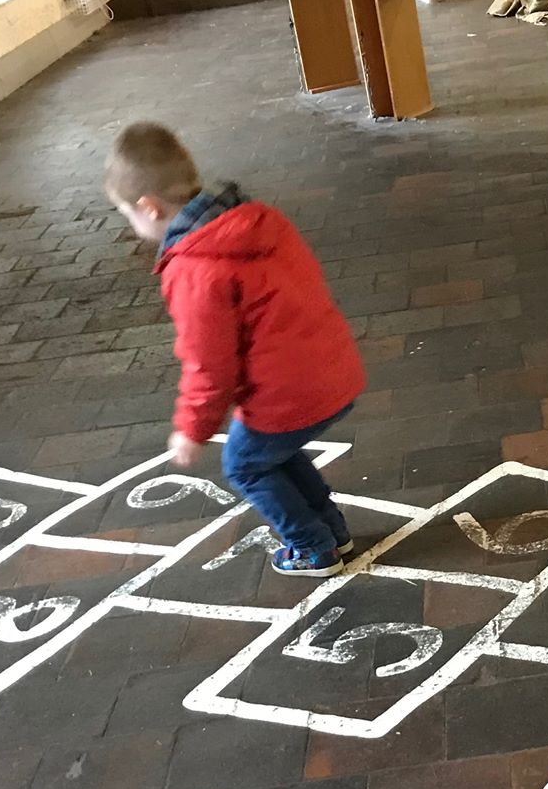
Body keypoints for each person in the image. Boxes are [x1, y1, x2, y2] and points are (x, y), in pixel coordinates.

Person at [106, 122, 364, 577]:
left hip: (287, 392)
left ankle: (313, 547)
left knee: (245, 465)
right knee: (272, 451)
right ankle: (331, 530)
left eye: (127, 214)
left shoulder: (194, 268)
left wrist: (193, 430)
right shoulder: (258, 220)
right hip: (332, 365)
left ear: (149, 206)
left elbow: (209, 365)